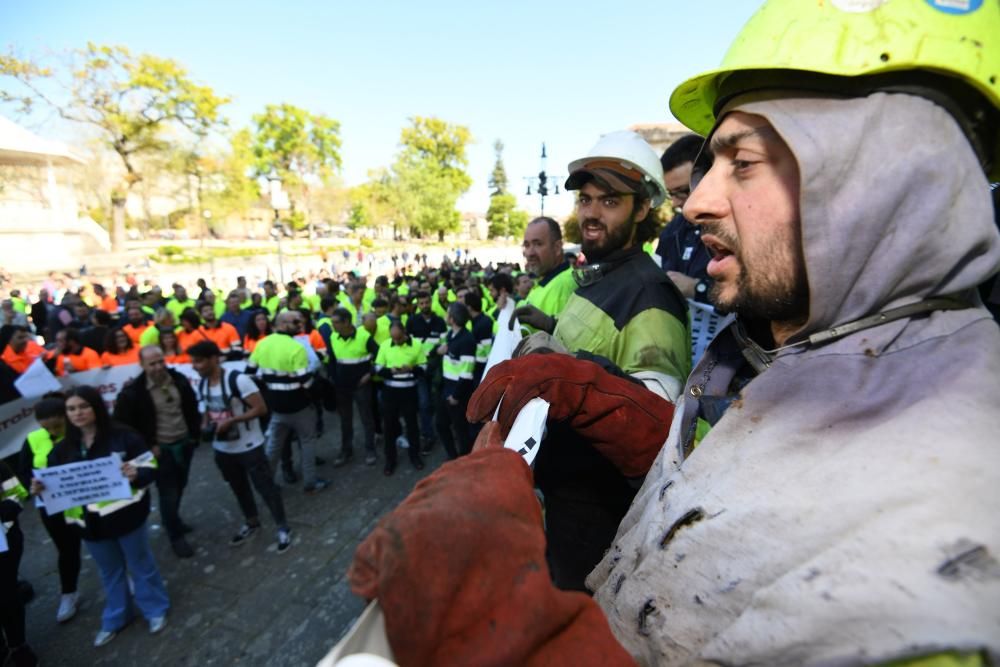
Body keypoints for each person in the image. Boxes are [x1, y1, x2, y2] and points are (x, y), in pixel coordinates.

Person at [344, 2, 1000, 664]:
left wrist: (486, 604)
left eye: (743, 162)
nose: (696, 203)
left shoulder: (948, 545)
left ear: (882, 180)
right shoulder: (781, 342)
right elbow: (713, 477)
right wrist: (606, 406)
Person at [40, 386, 168, 647]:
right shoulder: (62, 450)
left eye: (83, 406)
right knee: (110, 572)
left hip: (127, 518)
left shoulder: (124, 436)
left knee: (141, 565)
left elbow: (151, 467)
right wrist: (41, 490)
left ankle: (155, 609)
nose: (78, 413)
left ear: (96, 407)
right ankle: (116, 617)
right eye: (72, 409)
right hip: (90, 527)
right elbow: (56, 487)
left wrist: (136, 474)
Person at [188, 341, 292, 554]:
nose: (195, 366)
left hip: (249, 446)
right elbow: (207, 409)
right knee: (238, 488)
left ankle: (282, 527)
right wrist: (205, 425)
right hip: (223, 449)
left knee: (266, 488)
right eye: (193, 362)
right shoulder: (203, 384)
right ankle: (252, 522)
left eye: (199, 361)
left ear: (214, 359)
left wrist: (232, 421)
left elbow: (261, 408)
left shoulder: (239, 380)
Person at [113, 346, 201, 558]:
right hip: (161, 452)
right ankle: (175, 535)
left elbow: (191, 407)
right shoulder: (133, 392)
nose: (158, 367)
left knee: (181, 484)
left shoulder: (178, 379)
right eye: (152, 364)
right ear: (142, 365)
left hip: (184, 443)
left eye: (160, 361)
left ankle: (173, 519)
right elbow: (123, 426)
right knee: (168, 492)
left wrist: (194, 435)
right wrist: (147, 446)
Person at [16, 393, 82, 624]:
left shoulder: (80, 432)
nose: (54, 429)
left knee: (106, 541)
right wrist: (30, 486)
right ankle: (69, 593)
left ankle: (125, 578)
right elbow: (23, 472)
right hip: (52, 506)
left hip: (86, 500)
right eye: (47, 425)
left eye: (58, 423)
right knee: (66, 549)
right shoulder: (33, 440)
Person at [247, 311, 330, 492]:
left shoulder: (262, 344)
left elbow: (250, 372)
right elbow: (306, 381)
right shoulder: (296, 348)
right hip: (299, 405)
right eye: (296, 323)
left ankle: (266, 482)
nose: (300, 326)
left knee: (274, 444)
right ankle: (310, 482)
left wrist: (270, 384)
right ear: (283, 324)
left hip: (275, 405)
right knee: (307, 441)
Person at [654, 133, 714, 302]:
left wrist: (697, 288)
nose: (674, 203)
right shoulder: (671, 232)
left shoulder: (739, 226)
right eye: (671, 194)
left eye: (682, 191)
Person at [325, 307, 379, 467]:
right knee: (345, 421)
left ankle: (370, 449)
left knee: (366, 418)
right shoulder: (333, 337)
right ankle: (346, 451)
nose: (333, 325)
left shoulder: (364, 337)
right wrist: (333, 378)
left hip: (361, 386)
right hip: (342, 387)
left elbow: (380, 356)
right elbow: (332, 360)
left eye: (336, 322)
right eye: (332, 322)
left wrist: (369, 374)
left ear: (347, 322)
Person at [374, 320, 425, 476]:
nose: (395, 341)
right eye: (393, 338)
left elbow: (424, 368)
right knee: (389, 426)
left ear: (404, 333)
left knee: (412, 425)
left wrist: (412, 368)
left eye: (398, 338)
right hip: (390, 391)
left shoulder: (416, 345)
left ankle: (415, 456)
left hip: (409, 391)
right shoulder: (385, 345)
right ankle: (390, 460)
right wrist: (391, 371)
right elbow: (377, 368)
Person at [512, 217, 578, 331]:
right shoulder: (545, 280)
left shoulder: (565, 285)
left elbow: (564, 341)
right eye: (527, 245)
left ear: (557, 248)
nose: (530, 253)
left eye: (538, 244)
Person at [405, 291, 447, 453]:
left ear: (431, 302)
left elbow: (443, 345)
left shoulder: (440, 322)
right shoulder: (412, 321)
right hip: (420, 370)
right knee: (423, 404)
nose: (424, 306)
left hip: (437, 369)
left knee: (438, 403)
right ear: (417, 304)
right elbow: (408, 346)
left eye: (426, 302)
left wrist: (435, 355)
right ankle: (428, 435)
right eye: (421, 303)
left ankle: (443, 432)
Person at [435, 302, 476, 458]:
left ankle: (464, 460)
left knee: (461, 430)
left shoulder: (466, 340)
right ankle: (453, 456)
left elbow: (466, 374)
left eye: (447, 313)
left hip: (457, 394)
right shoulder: (451, 335)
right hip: (446, 389)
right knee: (441, 424)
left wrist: (456, 396)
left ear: (452, 319)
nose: (445, 316)